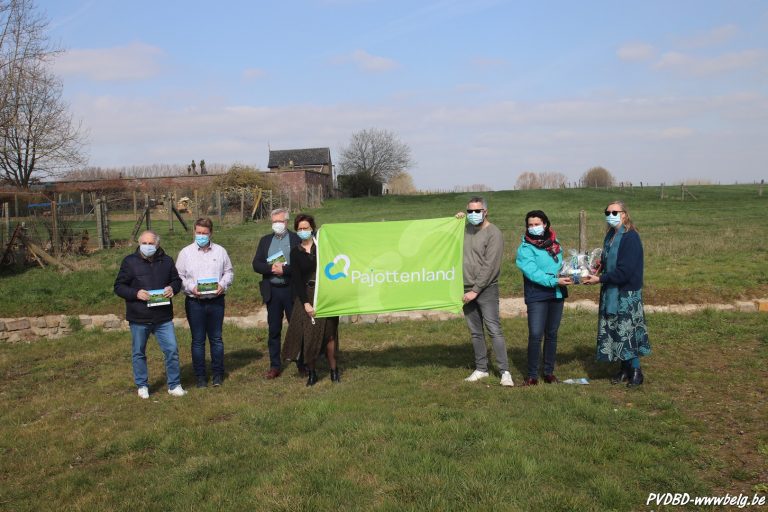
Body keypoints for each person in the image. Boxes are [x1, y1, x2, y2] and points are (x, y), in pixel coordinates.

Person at [582, 200, 651, 387]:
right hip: (611, 290)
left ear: (624, 214)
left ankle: (636, 371)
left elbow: (625, 271)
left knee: (627, 332)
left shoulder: (630, 238)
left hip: (626, 293)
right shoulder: (610, 236)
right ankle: (624, 369)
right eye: (607, 212)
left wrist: (600, 279)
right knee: (615, 330)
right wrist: (595, 269)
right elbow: (607, 261)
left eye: (614, 212)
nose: (610, 216)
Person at [113, 230, 186, 399]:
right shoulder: (129, 262)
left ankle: (174, 385)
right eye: (144, 243)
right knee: (139, 352)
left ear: (157, 244)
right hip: (139, 316)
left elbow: (176, 281)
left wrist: (172, 289)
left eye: (151, 243)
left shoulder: (166, 261)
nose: (147, 246)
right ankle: (142, 385)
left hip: (163, 317)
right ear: (139, 244)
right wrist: (135, 293)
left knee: (172, 350)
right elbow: (119, 286)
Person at [458, 196, 514, 387]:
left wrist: (476, 290)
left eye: (477, 211)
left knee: (493, 329)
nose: (473, 215)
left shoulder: (493, 233)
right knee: (475, 332)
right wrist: (454, 222)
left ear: (485, 211)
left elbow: (491, 265)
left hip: (486, 289)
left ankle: (504, 371)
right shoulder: (463, 230)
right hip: (465, 288)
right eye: (469, 211)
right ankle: (481, 368)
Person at [281, 214, 340, 386]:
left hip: (325, 295)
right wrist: (306, 303)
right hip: (306, 295)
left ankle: (334, 370)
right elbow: (297, 280)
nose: (302, 231)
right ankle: (312, 372)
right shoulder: (295, 252)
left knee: (329, 336)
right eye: (299, 229)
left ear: (312, 228)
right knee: (309, 336)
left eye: (305, 228)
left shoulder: (323, 247)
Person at [176, 217, 234, 388]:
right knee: (198, 340)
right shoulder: (185, 253)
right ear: (194, 232)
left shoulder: (220, 252)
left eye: (205, 233)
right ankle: (200, 376)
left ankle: (218, 374)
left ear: (211, 233)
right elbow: (178, 277)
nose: (201, 236)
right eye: (198, 233)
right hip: (195, 303)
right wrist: (191, 287)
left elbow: (229, 272)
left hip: (216, 301)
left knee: (216, 339)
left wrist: (222, 285)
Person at [515, 210, 572, 386]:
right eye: (530, 225)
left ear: (545, 224)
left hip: (556, 293)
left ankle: (548, 372)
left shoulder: (555, 243)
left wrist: (573, 272)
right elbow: (532, 272)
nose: (533, 228)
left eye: (536, 224)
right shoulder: (525, 248)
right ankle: (532, 375)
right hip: (537, 294)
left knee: (552, 334)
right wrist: (554, 280)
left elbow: (560, 264)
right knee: (535, 334)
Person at [252, 207, 301, 379]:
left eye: (279, 221)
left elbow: (302, 264)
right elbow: (256, 264)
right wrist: (270, 268)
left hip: (291, 290)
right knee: (274, 330)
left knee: (296, 328)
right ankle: (275, 365)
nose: (276, 225)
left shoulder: (296, 239)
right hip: (272, 291)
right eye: (274, 222)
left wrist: (285, 270)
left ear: (286, 222)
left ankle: (301, 363)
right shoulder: (265, 241)